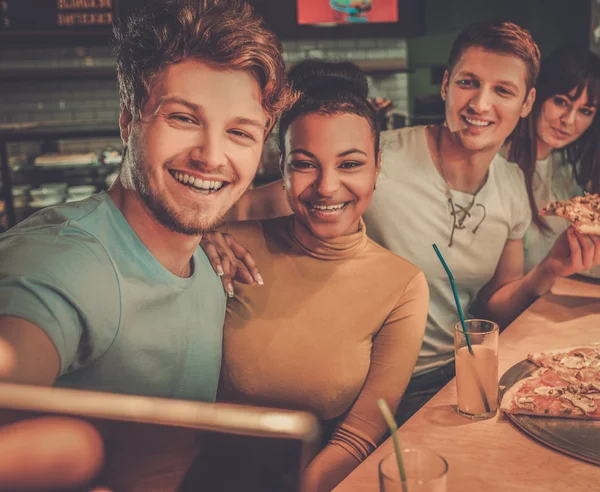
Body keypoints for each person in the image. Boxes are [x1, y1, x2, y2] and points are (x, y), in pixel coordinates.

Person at [211, 21, 600, 426]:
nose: (481, 105)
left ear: (526, 102)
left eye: (502, 90)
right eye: (469, 82)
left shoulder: (512, 185)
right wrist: (205, 235)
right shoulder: (373, 162)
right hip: (368, 388)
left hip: (456, 377)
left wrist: (551, 269)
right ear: (446, 84)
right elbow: (248, 205)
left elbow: (493, 303)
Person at [0, 0, 293, 489]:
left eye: (239, 132)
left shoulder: (200, 256)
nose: (210, 156)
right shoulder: (64, 261)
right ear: (129, 122)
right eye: (182, 118)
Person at [198, 59, 429, 491]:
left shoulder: (403, 285)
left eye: (350, 164)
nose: (326, 186)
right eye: (305, 164)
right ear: (280, 167)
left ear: (378, 166)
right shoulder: (223, 242)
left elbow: (361, 430)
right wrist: (193, 238)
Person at [507, 45, 600, 272]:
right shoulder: (499, 165)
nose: (568, 120)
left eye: (585, 111)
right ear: (535, 96)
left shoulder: (570, 170)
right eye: (560, 102)